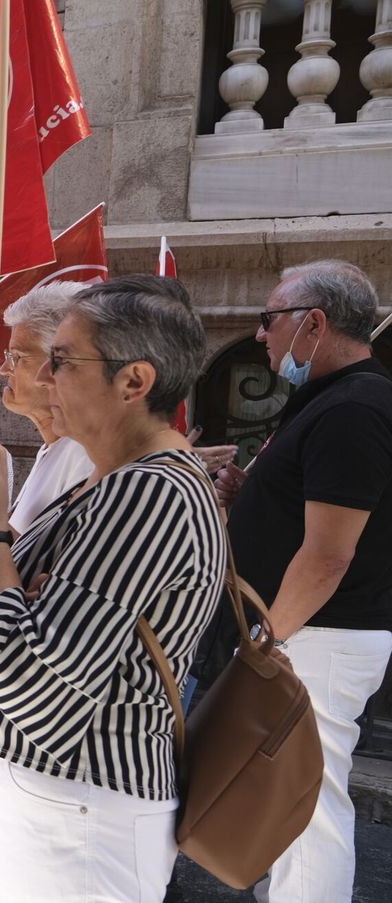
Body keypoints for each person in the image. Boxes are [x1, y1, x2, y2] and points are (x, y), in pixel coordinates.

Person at [0, 275, 225, 902]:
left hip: (82, 819)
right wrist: (9, 596)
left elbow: (36, 693)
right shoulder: (110, 482)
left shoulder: (148, 492)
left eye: (62, 360)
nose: (42, 378)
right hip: (65, 815)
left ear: (134, 381)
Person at [214, 260, 392, 903]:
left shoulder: (355, 408)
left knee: (309, 812)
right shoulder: (334, 401)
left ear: (313, 323)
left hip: (316, 636)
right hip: (307, 635)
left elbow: (327, 556)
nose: (262, 336)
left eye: (269, 319)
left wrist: (269, 637)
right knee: (291, 808)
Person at [1, 283, 96, 532]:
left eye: (16, 357)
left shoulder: (86, 454)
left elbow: (44, 564)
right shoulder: (55, 448)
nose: (4, 369)